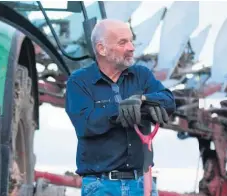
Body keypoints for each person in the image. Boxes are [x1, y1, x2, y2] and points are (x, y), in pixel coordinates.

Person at [65, 19, 176, 196]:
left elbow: (169, 101)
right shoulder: (79, 82)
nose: (131, 47)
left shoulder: (141, 75)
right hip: (101, 186)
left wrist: (142, 99)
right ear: (101, 49)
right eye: (123, 42)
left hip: (142, 183)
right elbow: (86, 124)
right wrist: (121, 110)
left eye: (131, 41)